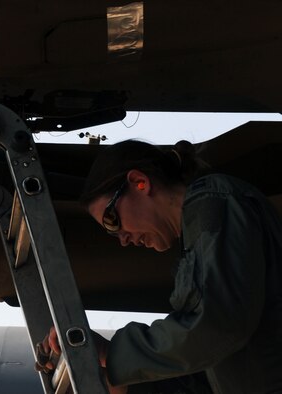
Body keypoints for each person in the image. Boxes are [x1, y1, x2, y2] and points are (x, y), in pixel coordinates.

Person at [39, 140, 282, 393]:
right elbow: (208, 371)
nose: (123, 239)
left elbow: (218, 325)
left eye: (112, 221)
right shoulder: (199, 234)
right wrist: (122, 383)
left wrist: (113, 353)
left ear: (139, 183)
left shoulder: (214, 202)